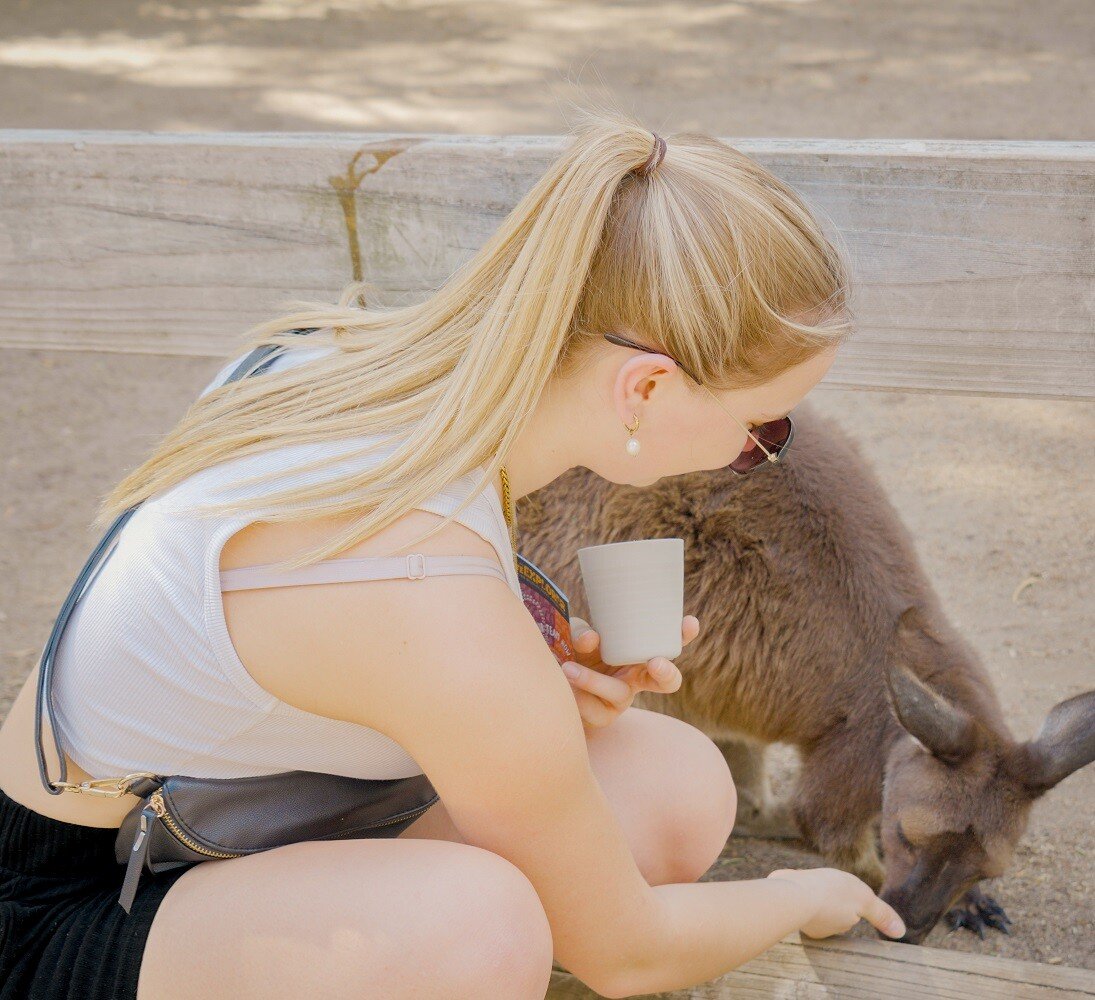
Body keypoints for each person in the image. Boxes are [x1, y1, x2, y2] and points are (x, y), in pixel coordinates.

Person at [0, 102, 905, 1000]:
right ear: (645, 387)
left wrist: (527, 696)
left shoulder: (366, 367)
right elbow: (628, 955)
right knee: (482, 932)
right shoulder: (430, 589)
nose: (760, 455)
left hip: (223, 817)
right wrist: (795, 896)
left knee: (675, 780)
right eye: (764, 428)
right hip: (76, 909)